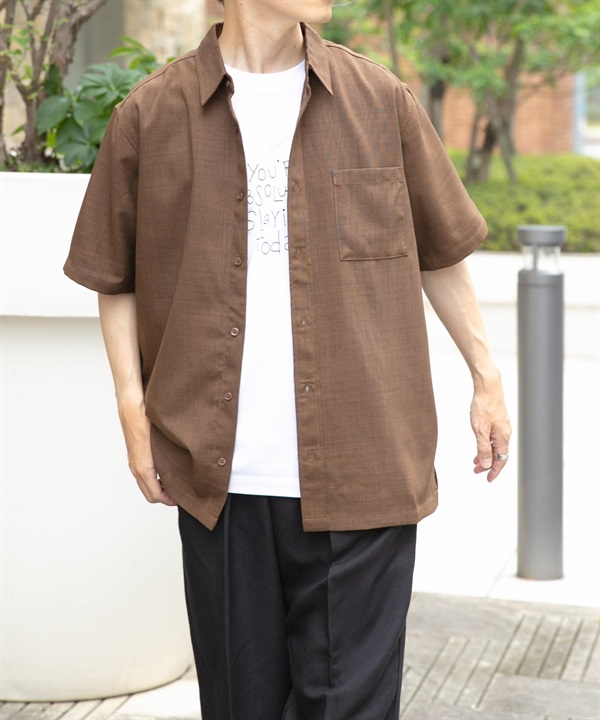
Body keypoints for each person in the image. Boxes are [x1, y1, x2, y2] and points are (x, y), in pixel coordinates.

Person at [64, 1, 511, 718]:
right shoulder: (150, 115)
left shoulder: (380, 100)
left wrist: (486, 377)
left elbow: (439, 251)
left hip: (366, 474)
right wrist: (131, 407)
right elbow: (115, 276)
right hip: (220, 485)